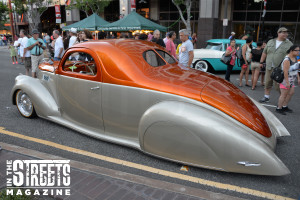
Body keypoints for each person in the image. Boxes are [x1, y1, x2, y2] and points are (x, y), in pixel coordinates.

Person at [259, 27, 293, 103]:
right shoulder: (271, 41)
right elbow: (264, 52)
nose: (285, 34)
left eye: (286, 33)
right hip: (269, 66)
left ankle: (283, 99)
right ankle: (266, 97)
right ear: (278, 33)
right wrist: (261, 62)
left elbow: (292, 56)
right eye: (283, 32)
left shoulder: (289, 44)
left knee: (278, 85)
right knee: (267, 82)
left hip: (280, 68)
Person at [276, 45, 300, 115]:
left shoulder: (295, 58)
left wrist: (298, 78)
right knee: (283, 94)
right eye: (297, 50)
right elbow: (285, 72)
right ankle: (279, 108)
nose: (298, 52)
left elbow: (296, 70)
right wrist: (287, 82)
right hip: (286, 79)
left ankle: (284, 106)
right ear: (291, 51)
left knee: (291, 93)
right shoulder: (287, 59)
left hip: (292, 78)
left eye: (299, 50)